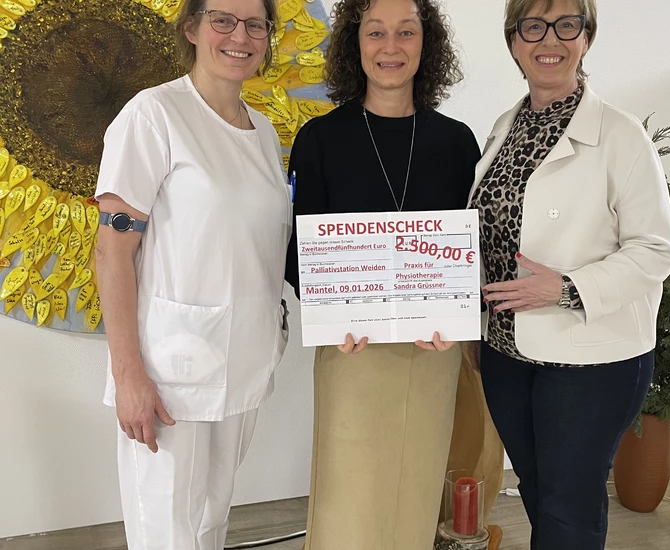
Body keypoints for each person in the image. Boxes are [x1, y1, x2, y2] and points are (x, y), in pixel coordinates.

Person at [284, 0, 502, 548]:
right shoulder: (319, 139)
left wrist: (459, 318)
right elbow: (298, 249)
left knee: (417, 491)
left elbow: (470, 247)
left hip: (433, 352)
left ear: (427, 45)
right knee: (349, 498)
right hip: (352, 349)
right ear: (354, 44)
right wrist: (333, 313)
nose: (390, 47)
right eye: (375, 32)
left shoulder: (457, 142)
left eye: (406, 33)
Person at [469, 0, 670, 548]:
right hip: (507, 353)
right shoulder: (506, 127)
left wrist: (566, 288)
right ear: (513, 42)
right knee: (540, 494)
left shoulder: (620, 135)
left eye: (567, 25)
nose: (550, 40)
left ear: (586, 38)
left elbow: (656, 249)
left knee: (569, 509)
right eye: (533, 26)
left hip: (589, 360)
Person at [94, 0, 290, 548]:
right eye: (222, 20)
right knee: (166, 533)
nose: (240, 36)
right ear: (192, 28)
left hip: (245, 365)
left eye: (255, 24)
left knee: (210, 525)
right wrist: (128, 375)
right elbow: (111, 253)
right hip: (169, 376)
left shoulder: (264, 131)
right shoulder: (153, 115)